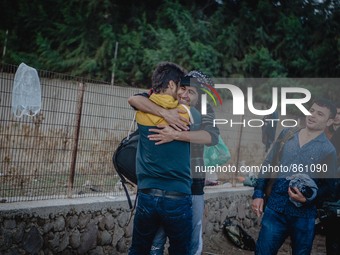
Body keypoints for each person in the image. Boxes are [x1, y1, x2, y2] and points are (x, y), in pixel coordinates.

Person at [128, 70, 220, 255]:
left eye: (191, 92)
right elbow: (134, 99)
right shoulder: (163, 101)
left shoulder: (204, 110)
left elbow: (211, 137)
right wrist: (165, 113)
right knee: (156, 242)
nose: (184, 95)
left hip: (192, 185)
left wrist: (176, 134)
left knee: (190, 243)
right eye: (183, 88)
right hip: (161, 186)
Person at [252, 98, 338, 255]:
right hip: (275, 209)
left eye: (320, 114)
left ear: (329, 121)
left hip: (304, 217)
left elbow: (330, 188)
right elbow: (268, 163)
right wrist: (258, 193)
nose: (312, 116)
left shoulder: (328, 150)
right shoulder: (287, 134)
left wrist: (308, 199)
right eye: (311, 111)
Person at [128, 62, 192, 255]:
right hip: (177, 196)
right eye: (181, 87)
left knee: (139, 249)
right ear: (172, 85)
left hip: (147, 194)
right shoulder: (185, 113)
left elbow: (135, 99)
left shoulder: (142, 111)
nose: (183, 94)